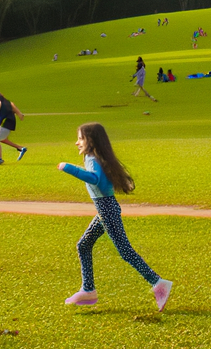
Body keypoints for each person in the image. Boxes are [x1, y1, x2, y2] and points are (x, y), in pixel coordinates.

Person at [57, 122, 172, 311]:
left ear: (91, 141)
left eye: (80, 138)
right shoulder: (96, 157)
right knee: (83, 245)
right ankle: (88, 290)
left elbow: (94, 179)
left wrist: (68, 167)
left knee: (125, 251)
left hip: (107, 210)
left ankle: (158, 283)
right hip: (105, 210)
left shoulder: (93, 159)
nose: (77, 143)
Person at [0, 91, 26, 165]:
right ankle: (20, 148)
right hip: (11, 123)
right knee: (2, 139)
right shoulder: (9, 103)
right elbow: (20, 115)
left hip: (5, 122)